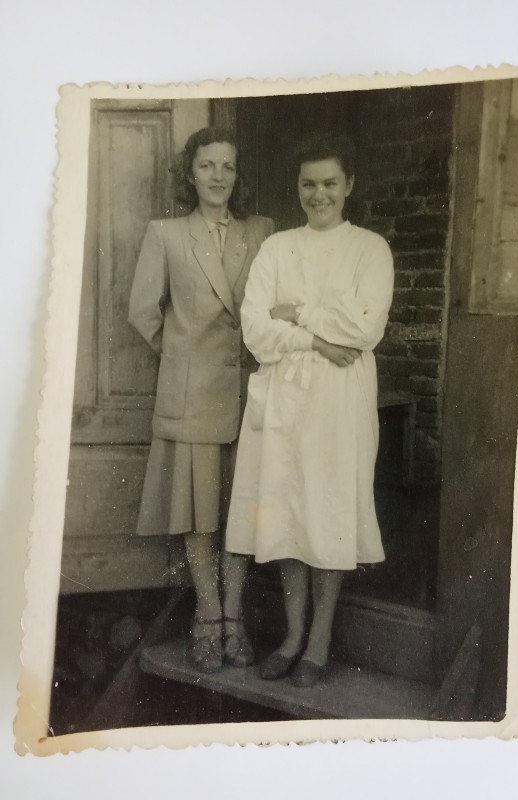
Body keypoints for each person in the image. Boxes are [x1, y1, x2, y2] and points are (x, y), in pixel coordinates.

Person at [225, 132, 394, 687]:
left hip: (339, 397)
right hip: (285, 394)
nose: (318, 195)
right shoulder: (278, 248)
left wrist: (296, 312)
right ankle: (292, 636)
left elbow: (363, 327)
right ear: (297, 188)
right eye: (308, 184)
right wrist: (317, 338)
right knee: (288, 512)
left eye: (329, 184)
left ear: (349, 185)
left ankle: (319, 643)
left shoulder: (369, 249)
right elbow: (256, 329)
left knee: (329, 509)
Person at [128, 127, 274, 673]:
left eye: (227, 167)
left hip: (248, 393)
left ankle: (235, 617)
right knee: (200, 514)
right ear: (190, 173)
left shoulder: (262, 231)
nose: (218, 176)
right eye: (207, 165)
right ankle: (208, 617)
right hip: (193, 397)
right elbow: (143, 312)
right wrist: (185, 359)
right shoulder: (166, 234)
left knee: (240, 511)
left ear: (238, 175)